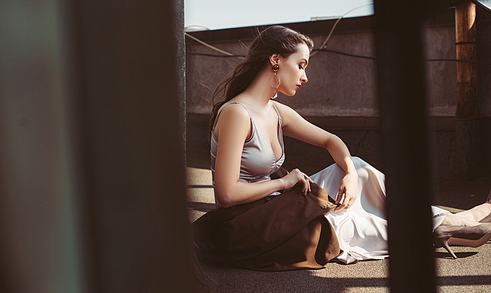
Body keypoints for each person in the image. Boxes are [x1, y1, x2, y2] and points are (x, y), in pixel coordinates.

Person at [192, 25, 491, 269]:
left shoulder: (275, 111)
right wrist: (284, 182)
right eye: (301, 65)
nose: (305, 76)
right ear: (275, 60)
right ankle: (447, 226)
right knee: (344, 218)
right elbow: (227, 194)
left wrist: (347, 172)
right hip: (248, 221)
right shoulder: (236, 113)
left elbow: (330, 140)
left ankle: (453, 221)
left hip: (275, 202)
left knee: (358, 168)